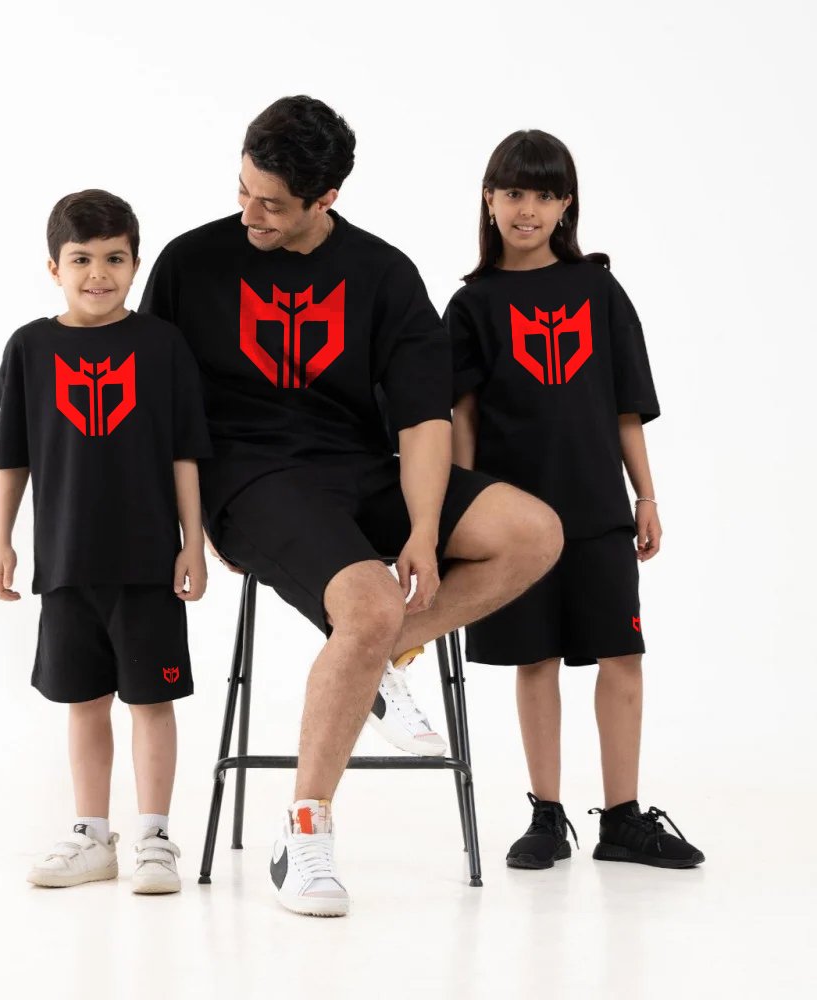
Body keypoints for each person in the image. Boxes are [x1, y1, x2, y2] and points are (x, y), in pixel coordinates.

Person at [140, 97, 563, 916]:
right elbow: (156, 408)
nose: (250, 214)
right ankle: (304, 832)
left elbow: (423, 419)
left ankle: (376, 659)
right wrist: (186, 524)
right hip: (250, 479)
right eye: (243, 191)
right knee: (367, 604)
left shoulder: (381, 273)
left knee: (531, 532)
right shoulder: (192, 263)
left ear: (326, 197)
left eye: (272, 204)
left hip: (360, 471)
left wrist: (424, 530)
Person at [446, 130, 704, 871]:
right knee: (536, 659)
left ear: (566, 205)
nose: (527, 209)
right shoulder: (471, 305)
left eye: (544, 194)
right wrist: (462, 513)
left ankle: (622, 819)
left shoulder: (598, 290)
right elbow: (462, 418)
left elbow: (625, 406)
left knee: (621, 652)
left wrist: (645, 495)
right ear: (489, 200)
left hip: (596, 508)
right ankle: (546, 814)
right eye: (513, 192)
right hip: (513, 518)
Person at [0, 189, 212, 892]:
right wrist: (1, 541)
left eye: (115, 259)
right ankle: (91, 836)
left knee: (150, 702)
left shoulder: (161, 345)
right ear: (53, 267)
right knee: (84, 702)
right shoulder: (30, 347)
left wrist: (193, 541)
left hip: (148, 561)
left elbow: (184, 451)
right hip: (65, 560)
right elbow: (13, 455)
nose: (98, 274)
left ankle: (154, 837)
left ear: (135, 264)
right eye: (81, 259)